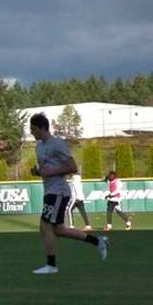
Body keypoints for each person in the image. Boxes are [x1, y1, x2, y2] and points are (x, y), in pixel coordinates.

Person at [29, 113, 107, 274]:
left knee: (44, 225)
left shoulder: (57, 144)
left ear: (43, 128)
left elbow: (72, 167)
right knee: (58, 230)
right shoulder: (39, 147)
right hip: (49, 190)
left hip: (59, 191)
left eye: (33, 129)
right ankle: (98, 241)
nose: (31, 132)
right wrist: (37, 171)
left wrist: (51, 172)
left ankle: (51, 265)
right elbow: (46, 169)